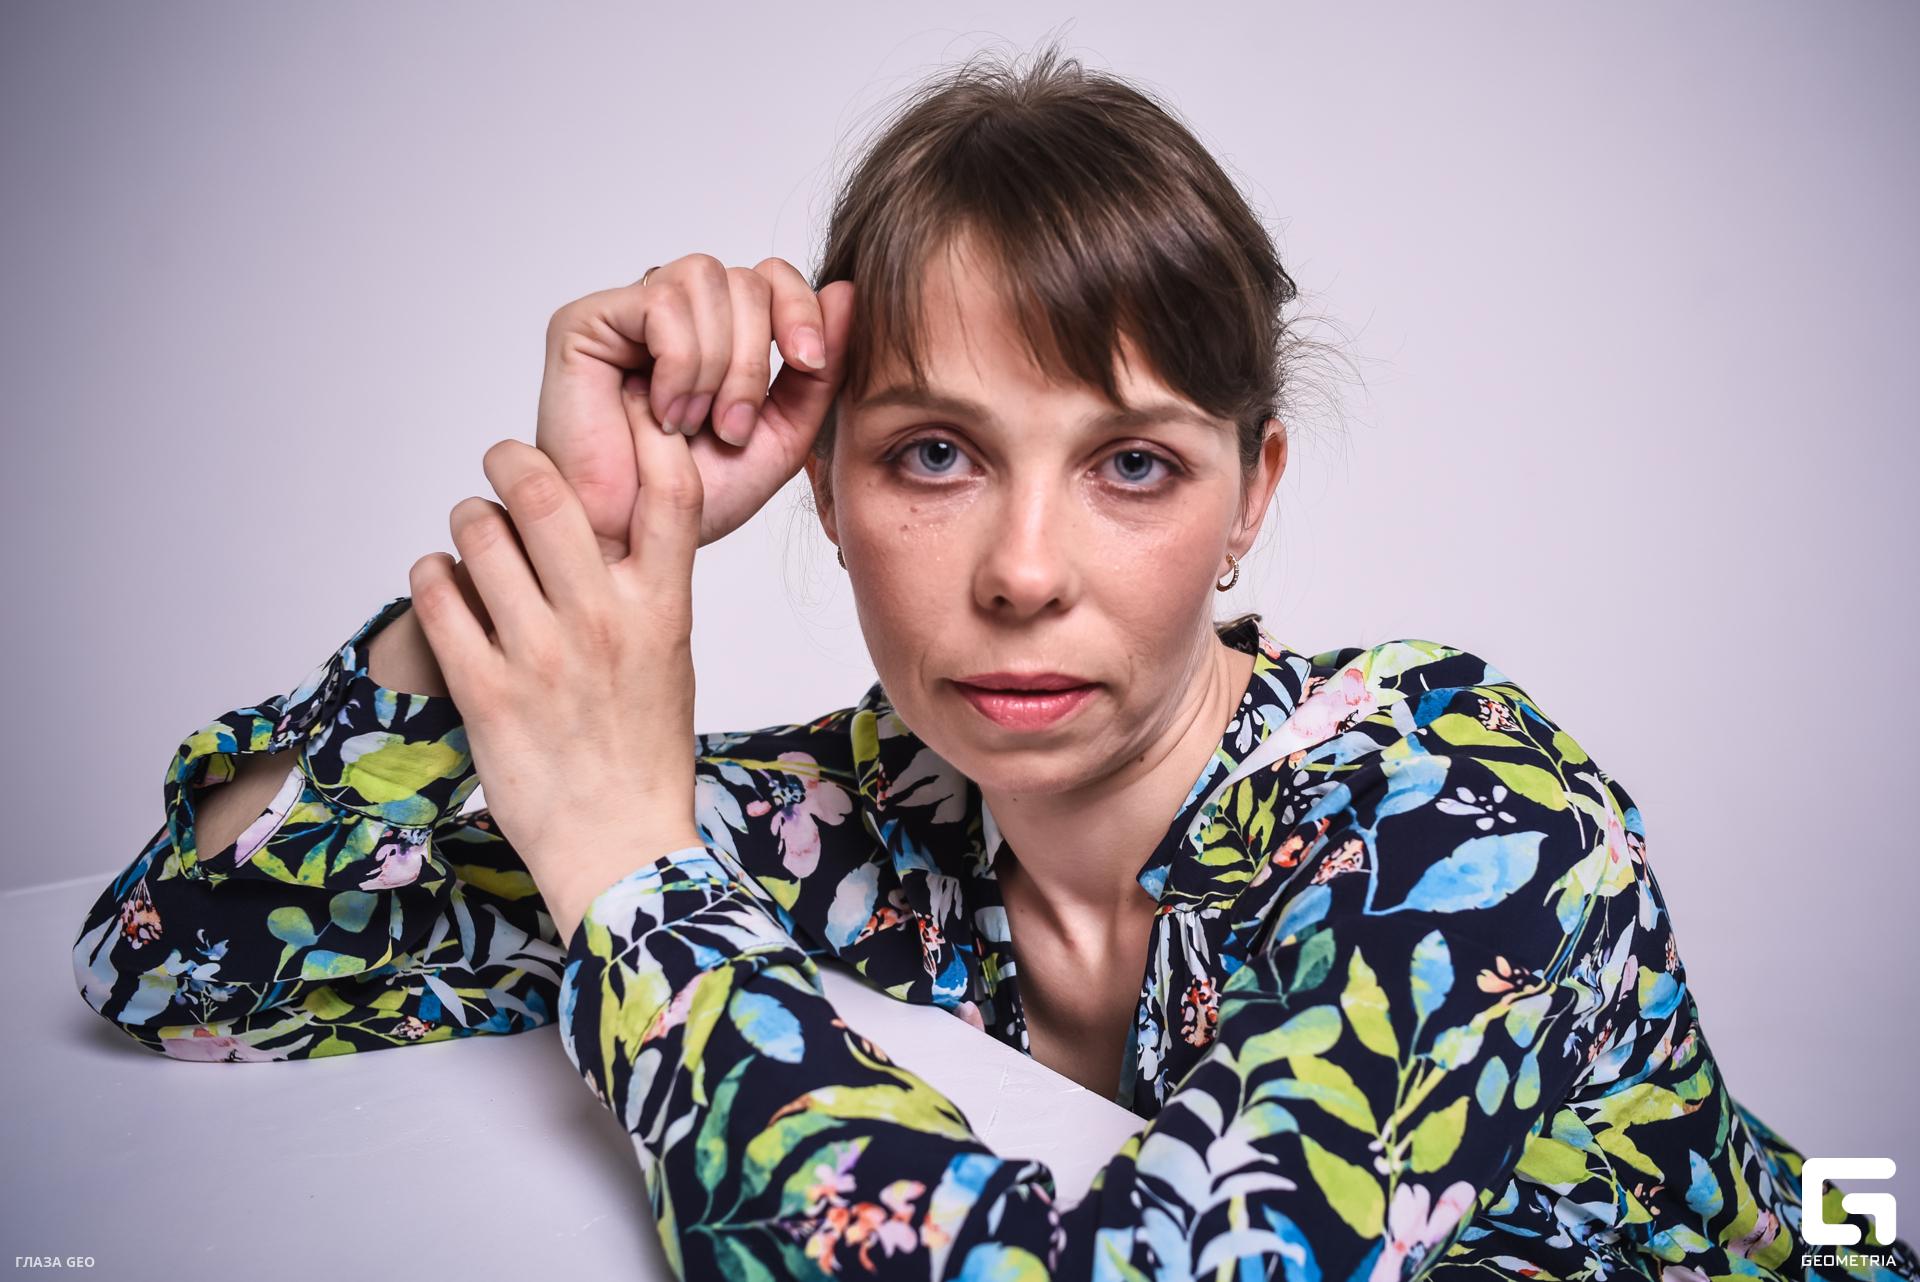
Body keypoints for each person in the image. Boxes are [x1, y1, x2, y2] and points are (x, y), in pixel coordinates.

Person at [72, 50, 1913, 1282]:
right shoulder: (861, 818)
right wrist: (578, 532)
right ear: (823, 486)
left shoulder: (1469, 820)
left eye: (1134, 465)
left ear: (1252, 491)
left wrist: (634, 881)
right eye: (935, 454)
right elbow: (188, 959)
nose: (1025, 572)